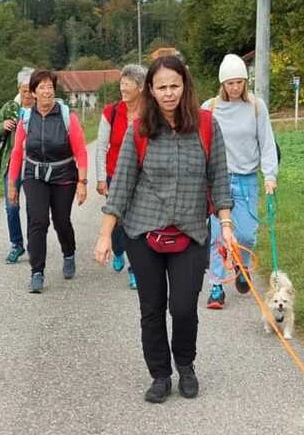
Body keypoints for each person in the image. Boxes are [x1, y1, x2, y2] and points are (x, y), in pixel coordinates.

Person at [95, 54, 235, 404]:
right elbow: (123, 182)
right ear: (151, 91)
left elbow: (219, 178)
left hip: (191, 233)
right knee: (152, 308)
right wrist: (104, 234)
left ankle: (185, 365)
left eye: (174, 85)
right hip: (144, 233)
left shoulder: (205, 125)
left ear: (185, 86)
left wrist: (227, 225)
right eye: (161, 87)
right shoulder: (140, 127)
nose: (169, 93)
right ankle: (160, 374)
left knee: (184, 307)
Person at [200, 53, 279, 310]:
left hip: (246, 180)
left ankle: (242, 265)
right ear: (222, 83)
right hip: (218, 180)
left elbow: (266, 143)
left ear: (246, 82)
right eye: (230, 83)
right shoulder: (209, 108)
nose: (235, 88)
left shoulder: (256, 107)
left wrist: (270, 175)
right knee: (217, 236)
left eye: (239, 82)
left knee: (246, 234)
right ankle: (216, 287)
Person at [6, 69, 89, 294]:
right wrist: (13, 184)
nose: (46, 91)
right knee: (38, 221)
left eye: (50, 87)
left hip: (63, 176)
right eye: (41, 87)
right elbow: (17, 153)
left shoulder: (66, 116)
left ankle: (69, 252)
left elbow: (80, 151)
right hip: (35, 175)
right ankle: (37, 271)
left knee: (61, 221)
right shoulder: (26, 118)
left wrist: (82, 181)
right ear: (33, 92)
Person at [95, 63, 147, 290]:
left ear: (141, 87)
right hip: (114, 176)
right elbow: (101, 146)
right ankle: (118, 250)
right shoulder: (111, 112)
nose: (123, 88)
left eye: (128, 84)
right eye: (121, 83)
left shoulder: (150, 112)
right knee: (116, 222)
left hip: (143, 177)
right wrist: (99, 178)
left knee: (136, 223)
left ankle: (135, 268)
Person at [0, 67, 36, 264]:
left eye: (30, 90)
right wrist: (3, 126)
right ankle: (16, 244)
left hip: (35, 163)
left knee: (35, 208)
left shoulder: (42, 107)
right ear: (19, 89)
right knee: (12, 206)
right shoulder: (11, 107)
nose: (27, 94)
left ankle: (35, 245)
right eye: (23, 90)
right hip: (13, 163)